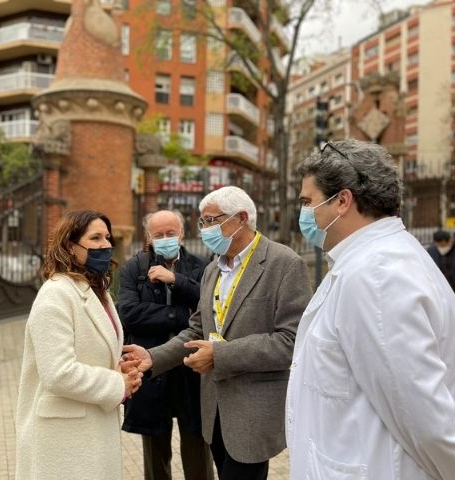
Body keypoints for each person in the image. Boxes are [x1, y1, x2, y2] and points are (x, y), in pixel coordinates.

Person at [287, 139, 455, 479]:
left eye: (309, 202)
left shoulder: (375, 276)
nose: (305, 214)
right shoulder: (367, 263)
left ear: (342, 201)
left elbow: (426, 420)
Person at [124, 186, 312, 480]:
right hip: (214, 411)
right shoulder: (213, 268)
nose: (204, 229)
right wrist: (152, 357)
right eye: (202, 222)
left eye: (211, 220)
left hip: (252, 412)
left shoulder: (284, 263)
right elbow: (198, 328)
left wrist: (220, 354)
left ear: (240, 218)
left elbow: (291, 341)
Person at [15, 210, 143, 480]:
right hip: (63, 440)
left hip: (90, 430)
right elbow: (58, 373)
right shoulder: (55, 295)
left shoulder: (96, 290)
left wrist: (120, 366)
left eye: (107, 237)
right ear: (71, 247)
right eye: (95, 238)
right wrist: (117, 384)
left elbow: (90, 349)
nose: (106, 245)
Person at [118, 210, 214, 480]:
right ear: (148, 237)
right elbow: (129, 314)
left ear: (182, 233)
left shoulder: (201, 265)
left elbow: (209, 305)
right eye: (158, 234)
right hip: (151, 367)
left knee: (196, 442)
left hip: (190, 366)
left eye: (170, 233)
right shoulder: (133, 268)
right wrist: (183, 315)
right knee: (155, 449)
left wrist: (176, 281)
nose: (165, 239)